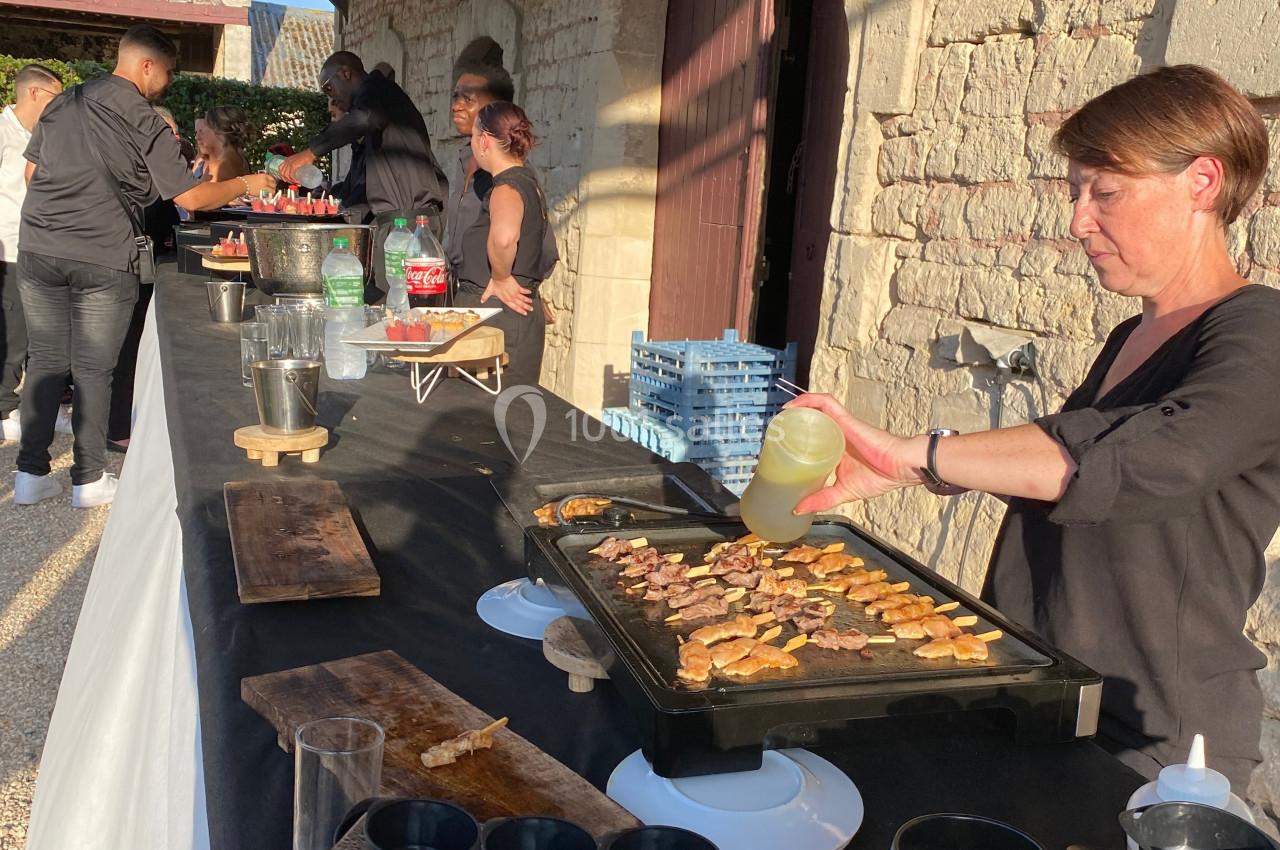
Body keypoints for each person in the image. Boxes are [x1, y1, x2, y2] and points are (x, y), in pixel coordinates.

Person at [787, 65, 1275, 790]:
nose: (1079, 220)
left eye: (1105, 192)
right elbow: (1058, 457)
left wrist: (915, 451)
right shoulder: (1127, 337)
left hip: (1154, 742)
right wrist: (909, 468)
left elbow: (1160, 460)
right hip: (1044, 689)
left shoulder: (1258, 330)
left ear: (1202, 182)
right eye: (1075, 192)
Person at [16, 24, 275, 507]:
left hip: (38, 248)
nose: (170, 82)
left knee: (47, 360)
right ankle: (88, 479)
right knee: (94, 367)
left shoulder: (63, 102)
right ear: (147, 66)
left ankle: (30, 475)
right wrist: (249, 184)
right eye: (169, 72)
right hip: (102, 252)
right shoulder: (142, 117)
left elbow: (32, 174)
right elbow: (193, 196)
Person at [278, 51, 448, 299]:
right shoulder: (379, 106)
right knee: (390, 306)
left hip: (408, 223)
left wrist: (311, 152)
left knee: (403, 311)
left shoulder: (376, 87)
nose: (331, 96)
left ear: (346, 73)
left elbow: (365, 118)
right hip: (397, 221)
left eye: (328, 87)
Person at [445, 59, 558, 310]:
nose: (456, 106)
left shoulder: (509, 174)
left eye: (468, 99)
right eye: (455, 97)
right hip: (460, 291)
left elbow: (540, 240)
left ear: (496, 109)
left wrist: (521, 286)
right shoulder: (465, 159)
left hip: (492, 299)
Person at [455, 102, 553, 385]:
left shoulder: (507, 187)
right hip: (505, 316)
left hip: (499, 322)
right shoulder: (528, 182)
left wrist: (500, 276)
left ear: (484, 141)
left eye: (473, 137)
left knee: (494, 417)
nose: (472, 144)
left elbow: (504, 237)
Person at [0, 64, 62, 442]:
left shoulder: (44, 135)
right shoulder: (2, 131)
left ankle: (31, 406)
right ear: (34, 93)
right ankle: (4, 406)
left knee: (39, 335)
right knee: (11, 333)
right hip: (6, 247)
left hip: (39, 246)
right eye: (55, 97)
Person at [195, 105, 253, 182]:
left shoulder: (218, 167)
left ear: (217, 131)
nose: (197, 137)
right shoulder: (240, 158)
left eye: (203, 131)